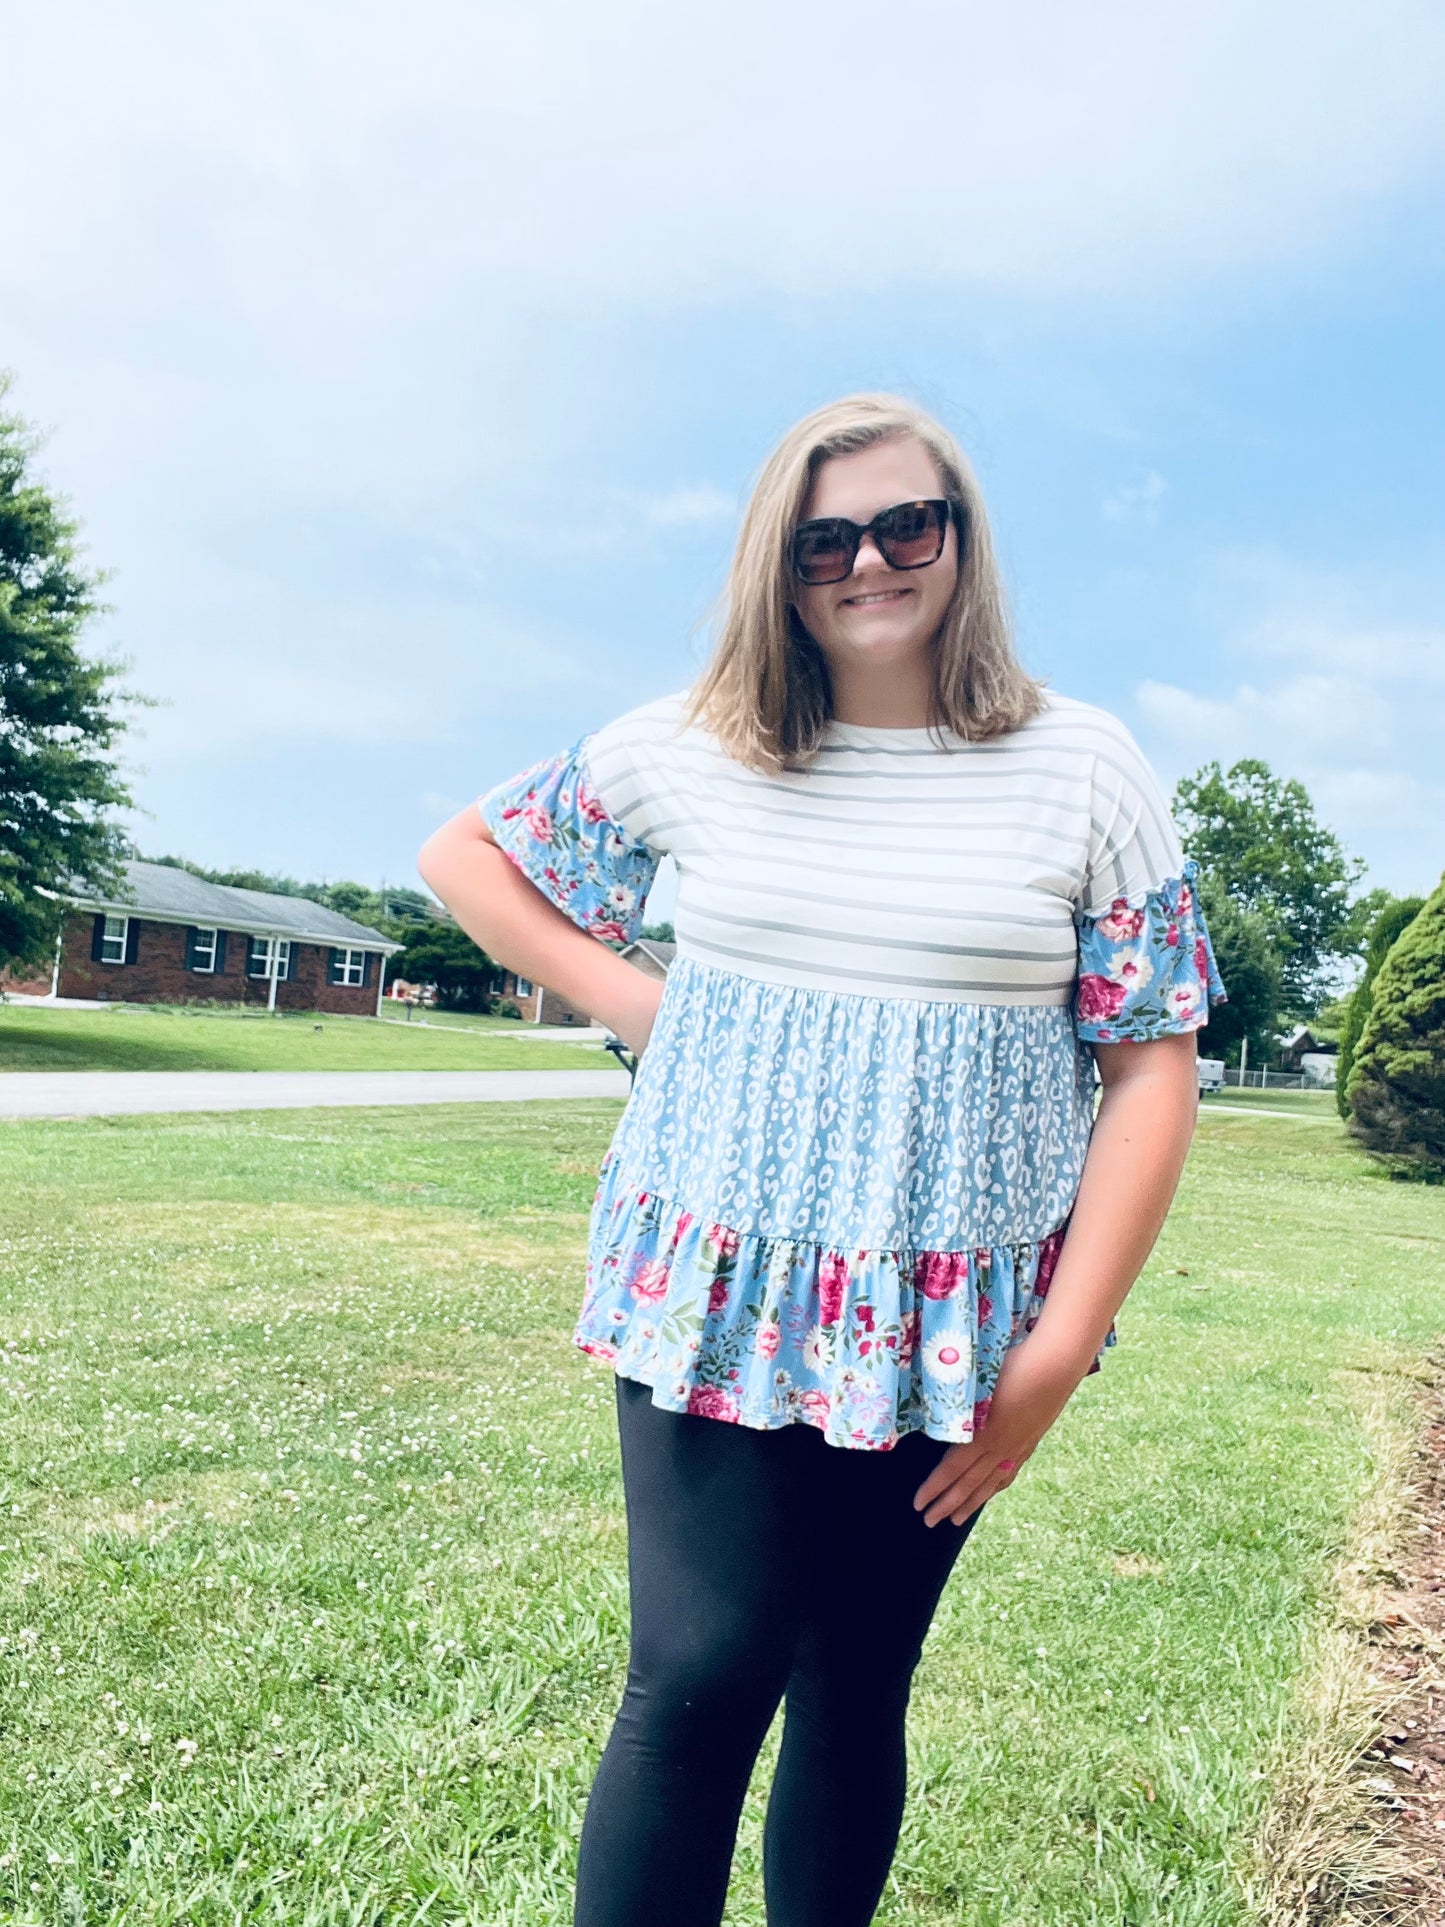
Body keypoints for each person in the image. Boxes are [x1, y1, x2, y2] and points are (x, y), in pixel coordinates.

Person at [417, 393, 1226, 1927]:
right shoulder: (693, 746)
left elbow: (1150, 1067)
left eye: (903, 525)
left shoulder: (1081, 766)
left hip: (952, 1318)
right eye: (820, 541)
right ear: (773, 568)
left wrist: (1056, 1350)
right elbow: (465, 857)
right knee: (699, 1675)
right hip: (717, 1277)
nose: (866, 563)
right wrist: (641, 1005)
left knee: (855, 1677)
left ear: (959, 538)